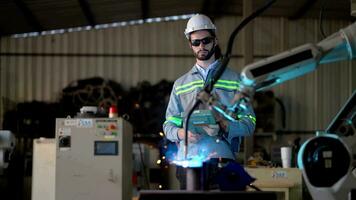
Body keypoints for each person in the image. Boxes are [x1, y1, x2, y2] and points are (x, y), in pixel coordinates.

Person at [163, 14, 256, 189]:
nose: (201, 46)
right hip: (189, 161)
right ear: (190, 44)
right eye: (196, 42)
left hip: (223, 159)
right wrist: (182, 134)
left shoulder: (235, 80)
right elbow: (168, 124)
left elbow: (249, 122)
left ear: (215, 40)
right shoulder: (181, 84)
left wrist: (225, 126)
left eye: (206, 40)